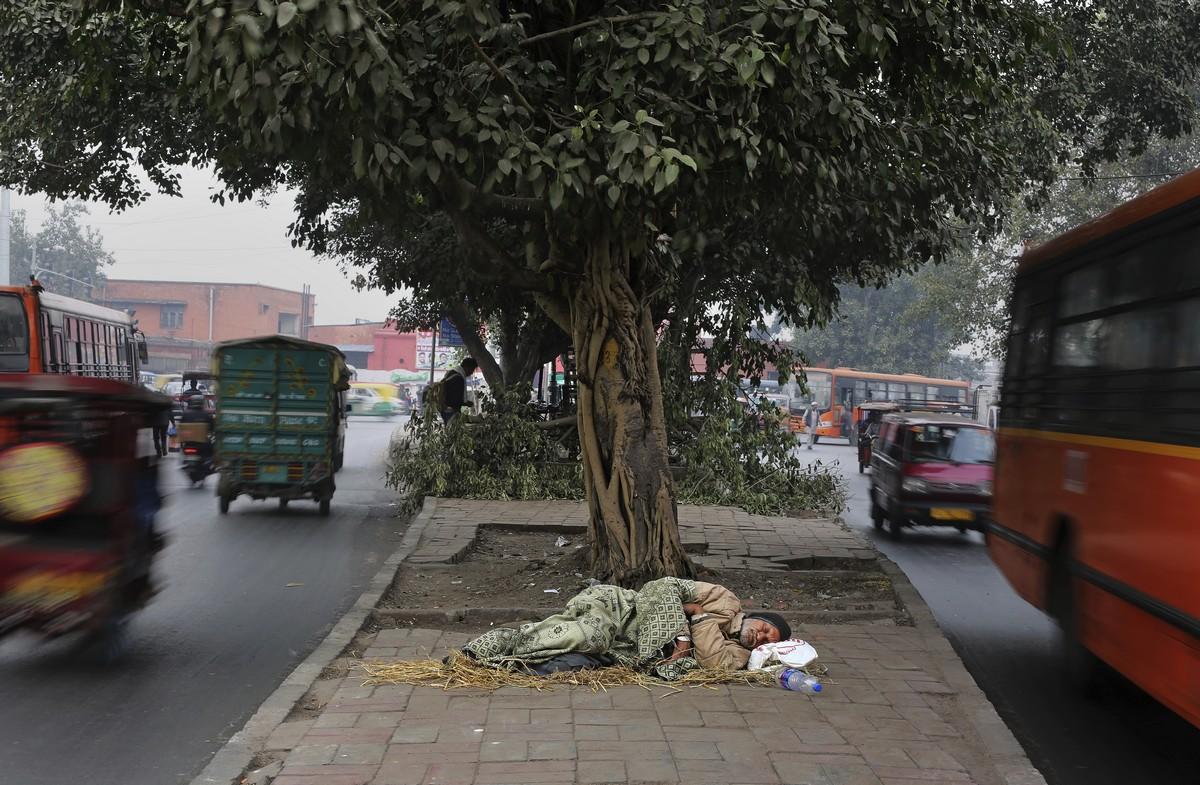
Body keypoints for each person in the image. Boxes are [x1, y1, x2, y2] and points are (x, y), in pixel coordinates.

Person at [462, 578, 789, 679]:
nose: (758, 636)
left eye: (765, 641)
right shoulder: (724, 600)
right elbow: (662, 587)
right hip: (617, 607)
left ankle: (495, 664)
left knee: (569, 663)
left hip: (624, 649)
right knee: (588, 635)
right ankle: (479, 650)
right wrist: (683, 637)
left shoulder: (737, 654)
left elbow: (713, 663)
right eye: (763, 628)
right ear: (755, 617)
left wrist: (698, 616)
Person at [441, 357, 478, 423]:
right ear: (468, 367)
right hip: (450, 410)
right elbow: (455, 399)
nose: (471, 373)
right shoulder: (458, 378)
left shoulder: (452, 372)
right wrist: (465, 403)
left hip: (445, 409)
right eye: (472, 370)